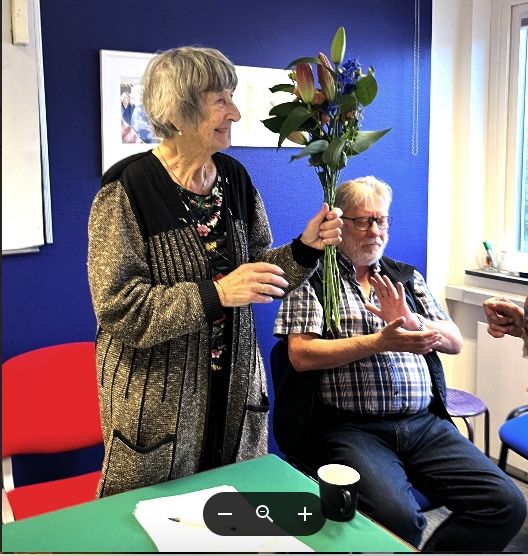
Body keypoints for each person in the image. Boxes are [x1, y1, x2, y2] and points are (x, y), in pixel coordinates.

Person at [87, 46, 343, 498]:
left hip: (234, 396)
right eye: (220, 100)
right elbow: (120, 308)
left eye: (232, 98)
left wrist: (306, 248)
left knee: (231, 516)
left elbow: (260, 273)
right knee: (153, 525)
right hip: (157, 411)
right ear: (177, 110)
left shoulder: (234, 178)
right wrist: (217, 294)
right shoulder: (126, 191)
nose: (236, 113)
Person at [274, 176, 526, 551]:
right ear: (339, 224)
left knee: (506, 504)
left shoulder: (406, 277)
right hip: (354, 428)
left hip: (424, 424)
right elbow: (301, 355)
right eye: (364, 221)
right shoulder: (313, 279)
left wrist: (410, 321)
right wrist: (379, 342)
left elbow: (454, 341)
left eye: (382, 220)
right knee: (399, 520)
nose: (375, 231)